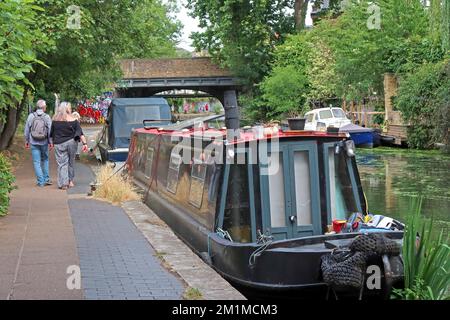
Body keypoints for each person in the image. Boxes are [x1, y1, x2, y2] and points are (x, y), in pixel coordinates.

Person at [50, 102, 88, 190]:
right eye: (70, 108)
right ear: (67, 109)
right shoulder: (74, 119)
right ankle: (70, 181)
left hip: (59, 143)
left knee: (62, 163)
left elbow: (51, 133)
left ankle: (64, 184)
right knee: (71, 162)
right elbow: (80, 133)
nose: (71, 109)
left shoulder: (55, 120)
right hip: (72, 142)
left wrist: (51, 143)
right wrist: (85, 144)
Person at [24, 100, 53, 187]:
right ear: (44, 107)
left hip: (33, 141)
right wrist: (51, 142)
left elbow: (26, 130)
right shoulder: (47, 117)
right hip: (44, 142)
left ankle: (41, 182)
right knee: (45, 160)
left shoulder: (31, 116)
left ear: (37, 107)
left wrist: (27, 141)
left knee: (36, 162)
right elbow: (50, 131)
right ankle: (46, 179)